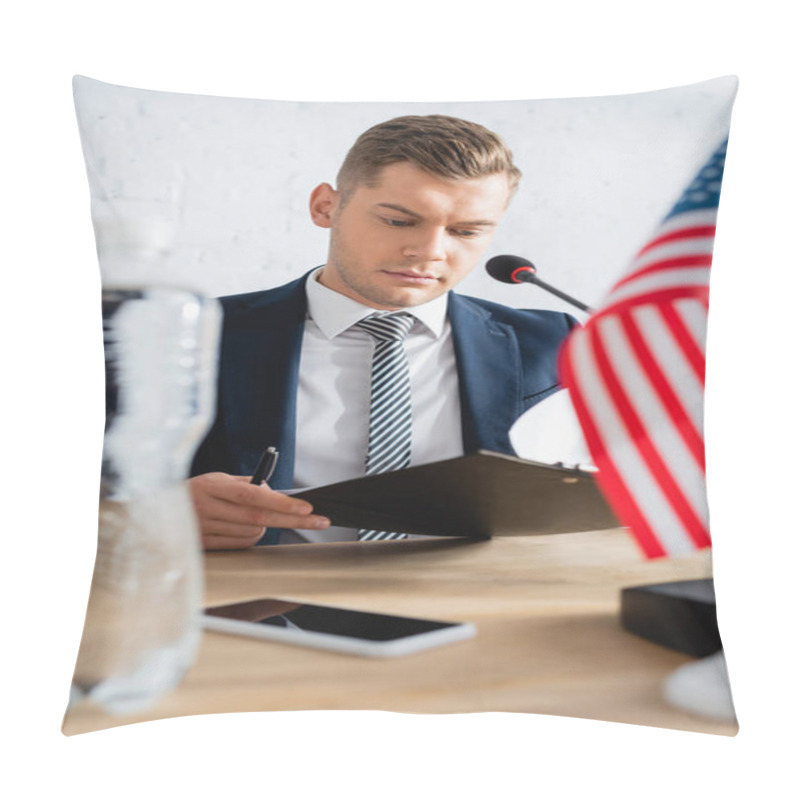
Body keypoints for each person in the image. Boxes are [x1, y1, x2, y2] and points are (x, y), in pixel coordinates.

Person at [189, 114, 577, 549]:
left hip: (483, 604)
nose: (430, 252)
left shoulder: (552, 343)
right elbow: (108, 487)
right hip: (266, 606)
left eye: (465, 231)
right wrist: (159, 511)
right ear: (325, 206)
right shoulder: (194, 335)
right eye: (398, 221)